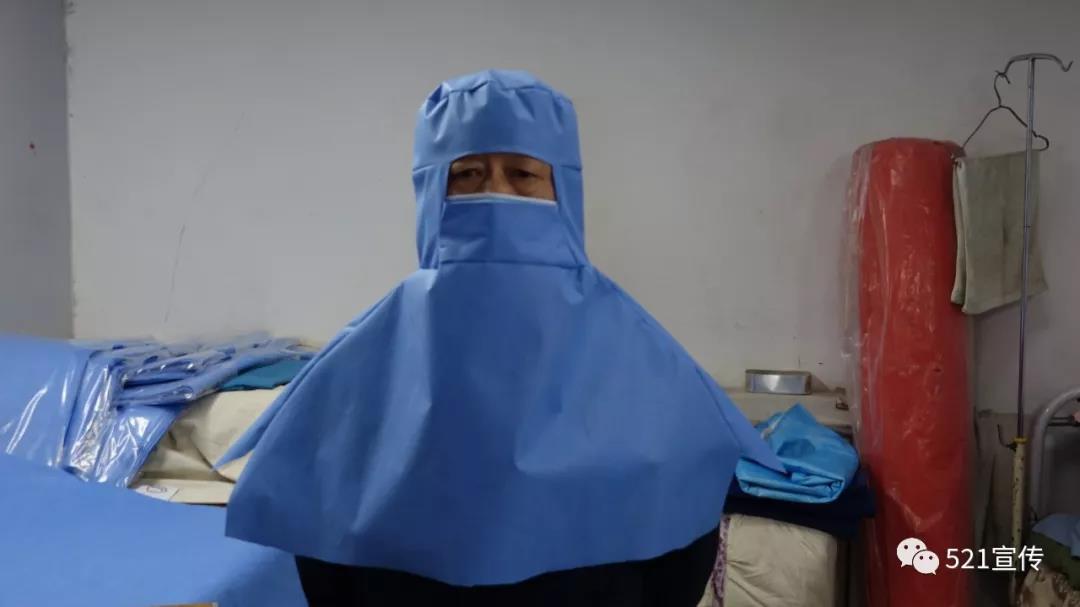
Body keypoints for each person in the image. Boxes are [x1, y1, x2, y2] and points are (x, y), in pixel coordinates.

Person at [220, 69, 782, 606]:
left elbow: (681, 535)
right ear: (431, 188)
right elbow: (318, 535)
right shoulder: (368, 356)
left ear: (563, 189)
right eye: (467, 175)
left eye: (522, 175)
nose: (494, 194)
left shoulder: (635, 355)